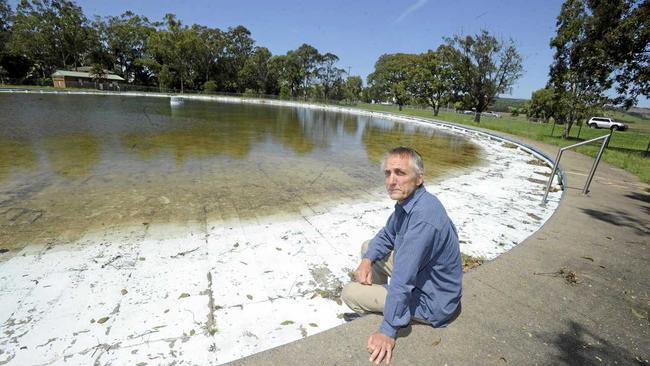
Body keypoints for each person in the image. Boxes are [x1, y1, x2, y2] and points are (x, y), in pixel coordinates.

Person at [341, 146, 462, 365]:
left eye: (400, 173)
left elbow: (403, 280)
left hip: (433, 302)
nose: (391, 180)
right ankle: (377, 306)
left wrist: (388, 332)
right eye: (388, 173)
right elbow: (387, 235)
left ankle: (381, 313)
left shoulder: (422, 219)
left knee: (349, 293)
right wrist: (367, 261)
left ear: (419, 179)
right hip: (429, 282)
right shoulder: (411, 202)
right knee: (369, 247)